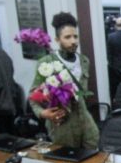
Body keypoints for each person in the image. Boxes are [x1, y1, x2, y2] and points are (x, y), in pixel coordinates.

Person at [29, 12, 99, 149]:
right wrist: (43, 113)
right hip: (62, 125)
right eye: (67, 37)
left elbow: (81, 94)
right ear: (57, 39)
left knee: (92, 157)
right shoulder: (46, 63)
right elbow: (33, 96)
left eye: (75, 36)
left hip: (85, 121)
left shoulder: (84, 61)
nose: (73, 41)